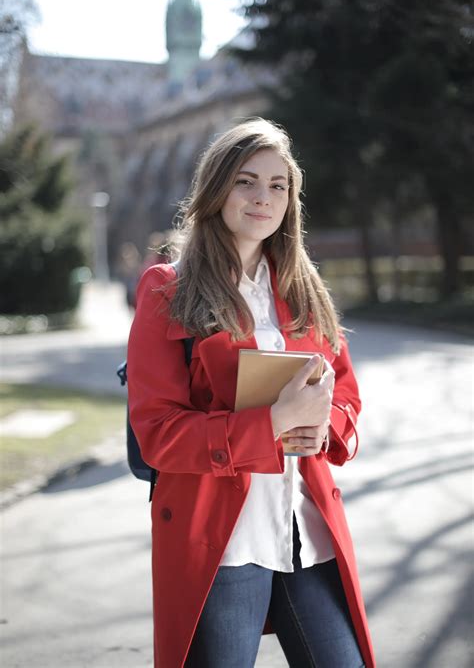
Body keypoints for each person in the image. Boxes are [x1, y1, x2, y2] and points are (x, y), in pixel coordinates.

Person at [127, 118, 376, 668]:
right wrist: (272, 423)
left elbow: (348, 397)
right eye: (246, 181)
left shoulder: (301, 284)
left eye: (278, 185)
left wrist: (324, 427)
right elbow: (158, 436)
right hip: (222, 541)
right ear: (216, 190)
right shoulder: (167, 287)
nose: (263, 197)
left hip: (306, 530)